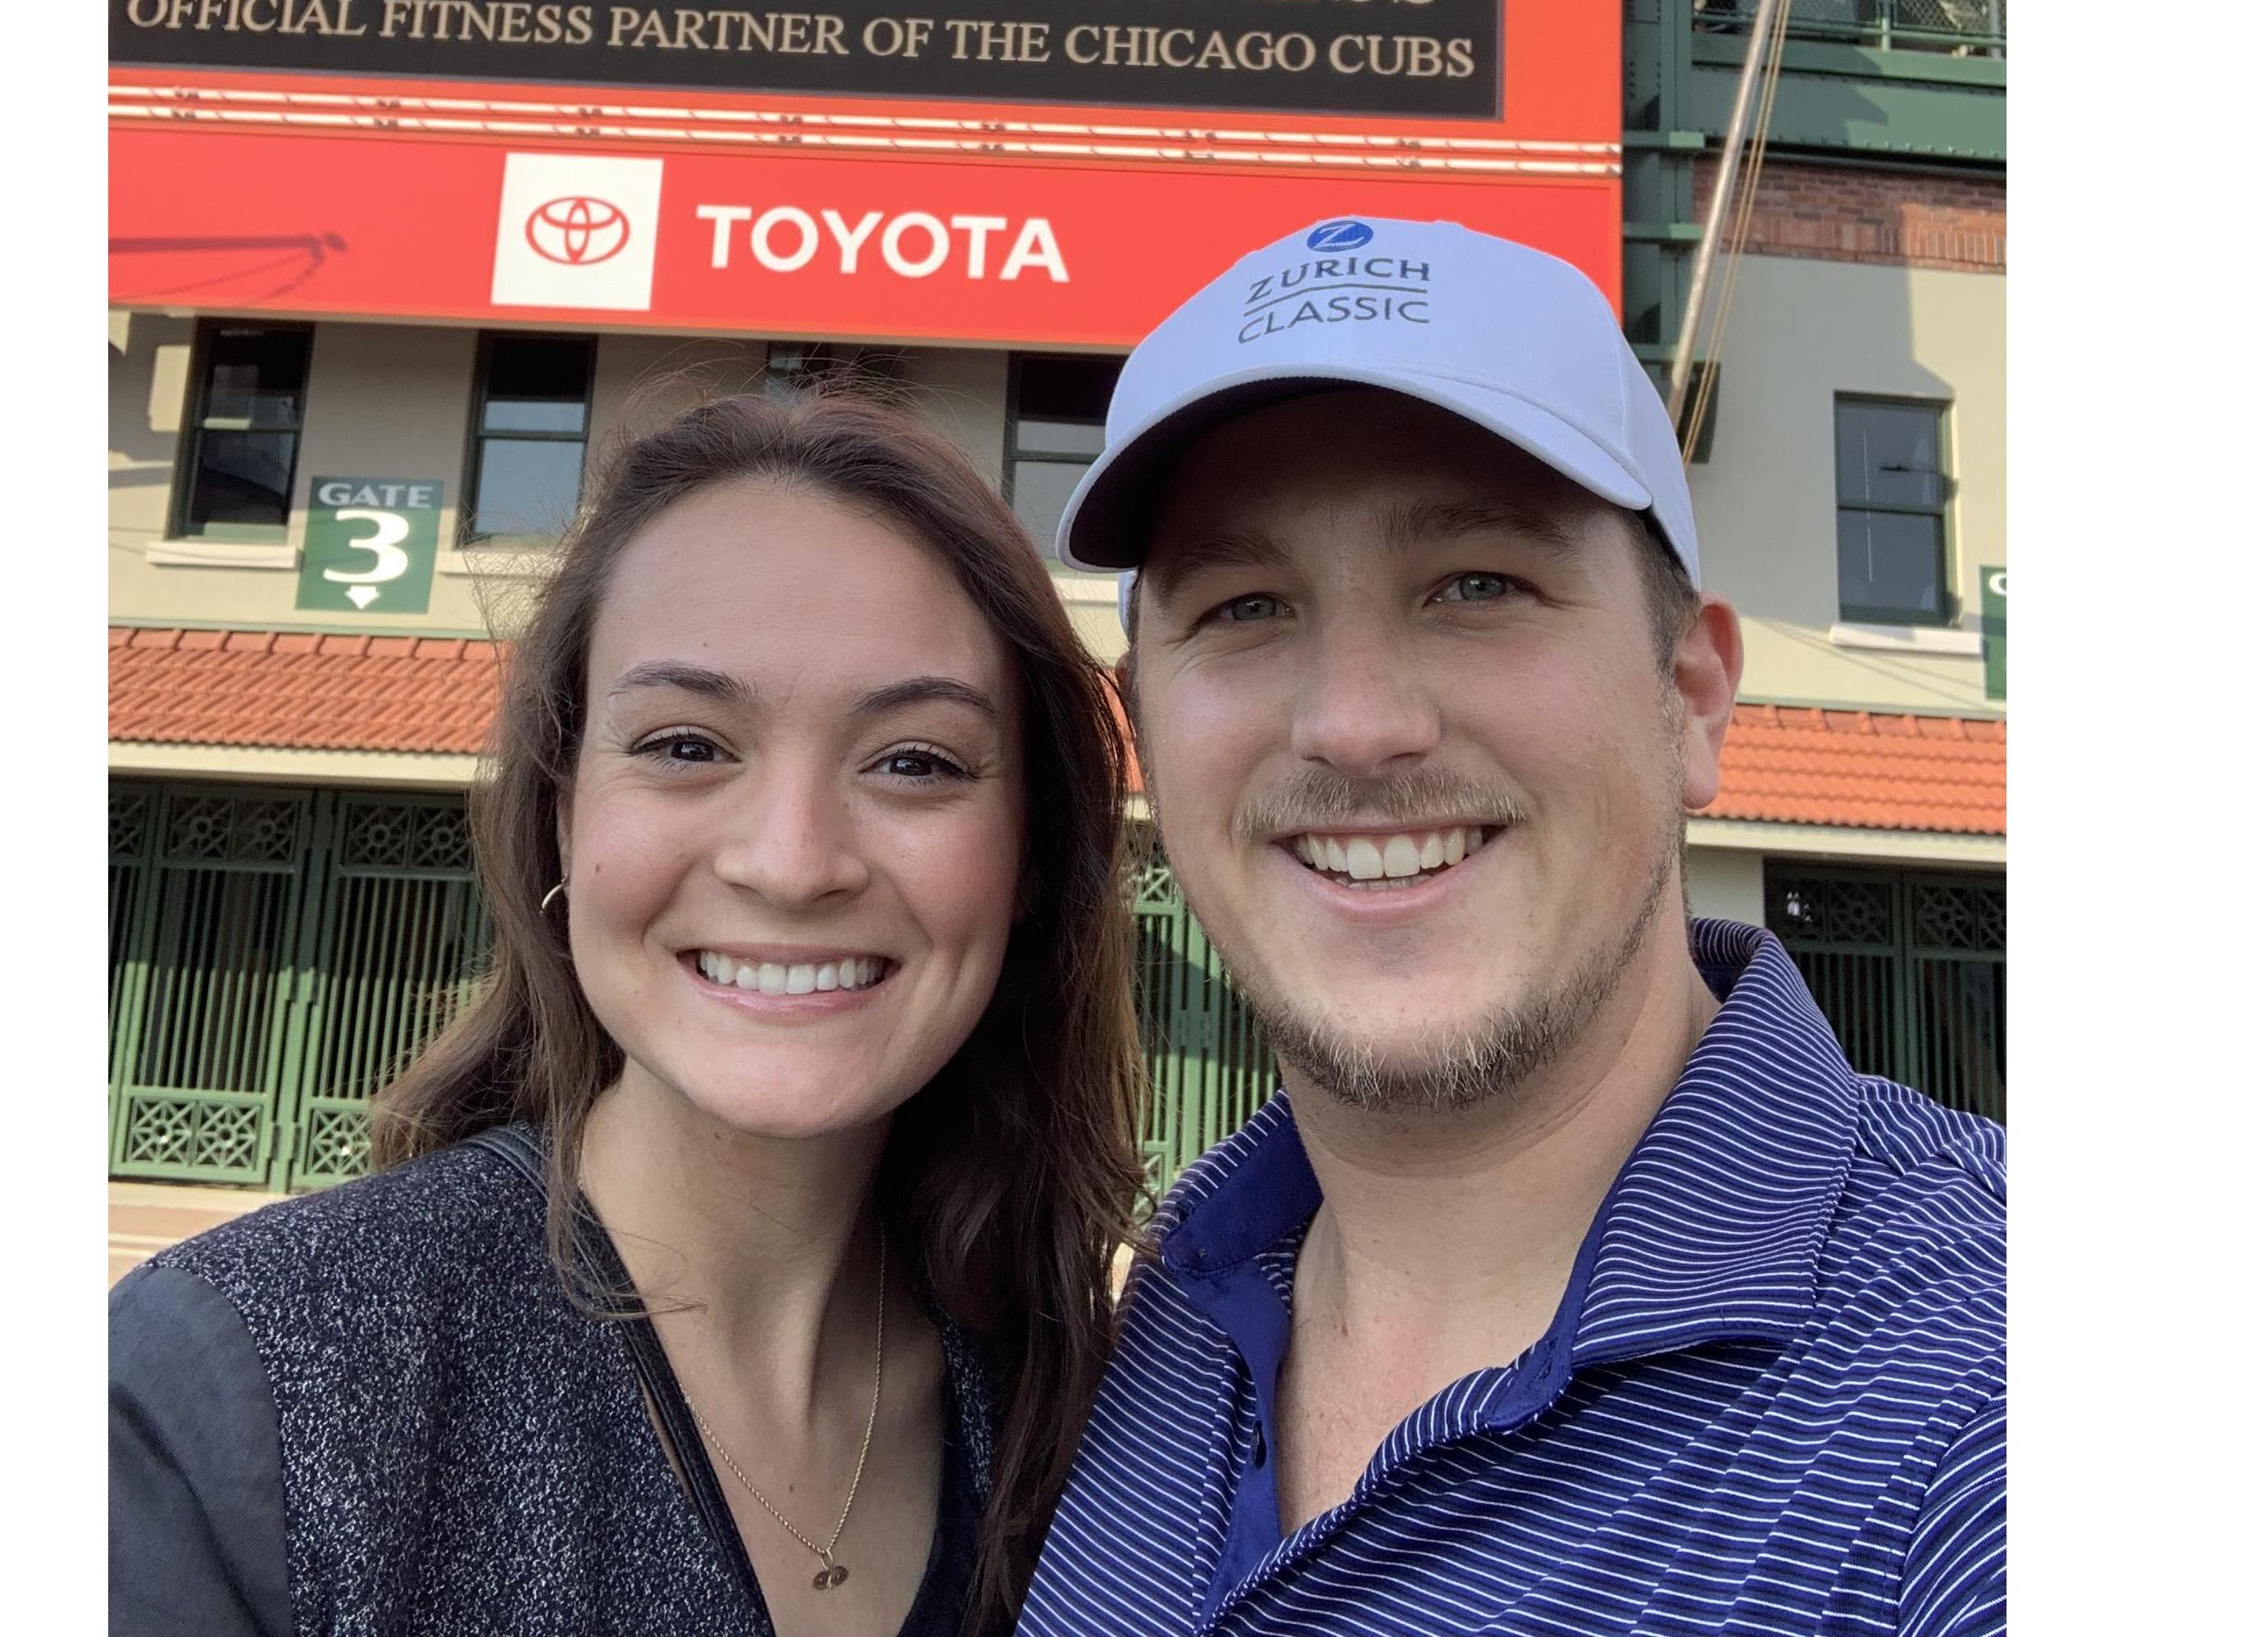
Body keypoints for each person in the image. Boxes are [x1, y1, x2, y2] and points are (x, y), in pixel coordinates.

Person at [1018, 218, 2006, 1636]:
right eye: (1244, 607)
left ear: (1691, 696)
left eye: (1478, 585)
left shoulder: (1993, 1394)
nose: (1357, 724)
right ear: (1147, 735)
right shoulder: (1156, 1320)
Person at [111, 389, 1147, 1637]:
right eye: (686, 745)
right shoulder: (240, 1389)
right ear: (560, 810)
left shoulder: (1093, 1419)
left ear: (1033, 857)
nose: (792, 862)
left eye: (915, 761)